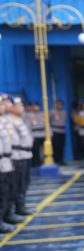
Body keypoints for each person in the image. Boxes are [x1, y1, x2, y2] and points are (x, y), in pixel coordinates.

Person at [6, 98, 33, 217]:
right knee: (16, 184)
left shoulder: (20, 119)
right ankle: (14, 209)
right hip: (17, 156)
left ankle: (21, 206)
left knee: (25, 182)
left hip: (26, 154)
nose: (22, 108)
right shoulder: (8, 121)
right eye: (19, 106)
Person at [0, 94, 16, 233]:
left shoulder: (3, 120)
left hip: (5, 161)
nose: (3, 106)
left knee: (6, 191)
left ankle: (5, 218)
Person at [25, 102, 44, 167]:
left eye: (37, 106)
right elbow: (28, 126)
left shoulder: (42, 114)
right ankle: (36, 163)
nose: (36, 107)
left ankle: (41, 162)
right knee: (35, 150)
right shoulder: (28, 115)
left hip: (43, 134)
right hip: (34, 134)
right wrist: (30, 136)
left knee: (43, 150)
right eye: (34, 106)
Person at [50, 99, 68, 165]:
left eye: (61, 104)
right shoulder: (52, 112)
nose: (59, 105)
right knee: (55, 146)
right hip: (55, 131)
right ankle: (56, 160)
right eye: (58, 104)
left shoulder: (64, 112)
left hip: (62, 131)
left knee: (62, 146)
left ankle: (61, 160)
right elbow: (49, 121)